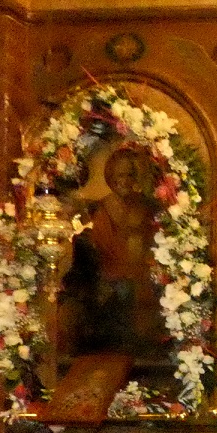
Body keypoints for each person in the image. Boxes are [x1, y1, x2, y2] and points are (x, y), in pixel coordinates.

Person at [61, 147, 163, 358]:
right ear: (109, 177)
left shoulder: (147, 207)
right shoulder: (98, 209)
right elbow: (94, 251)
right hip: (107, 281)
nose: (123, 181)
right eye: (118, 175)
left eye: (128, 175)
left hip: (142, 279)